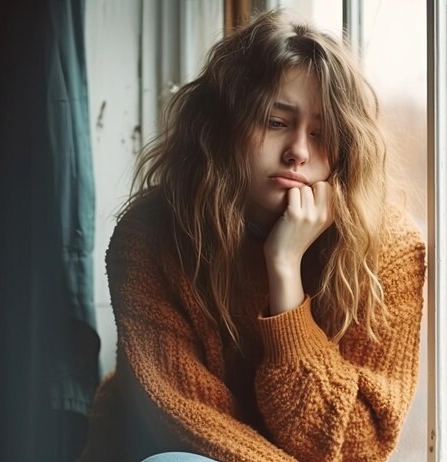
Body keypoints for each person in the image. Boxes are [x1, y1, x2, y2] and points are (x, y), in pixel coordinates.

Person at [78, 9, 426, 462]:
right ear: (223, 128)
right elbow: (189, 421)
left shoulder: (387, 250)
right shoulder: (150, 235)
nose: (298, 151)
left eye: (321, 134)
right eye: (276, 122)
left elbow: (360, 445)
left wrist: (285, 274)